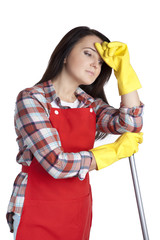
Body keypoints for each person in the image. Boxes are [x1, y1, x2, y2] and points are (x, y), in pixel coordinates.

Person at [6, 26, 144, 240]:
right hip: (37, 210)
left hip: (78, 208)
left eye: (101, 62)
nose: (95, 65)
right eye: (88, 53)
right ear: (64, 55)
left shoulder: (89, 104)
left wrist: (124, 72)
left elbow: (130, 124)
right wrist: (111, 153)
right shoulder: (32, 99)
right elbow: (55, 163)